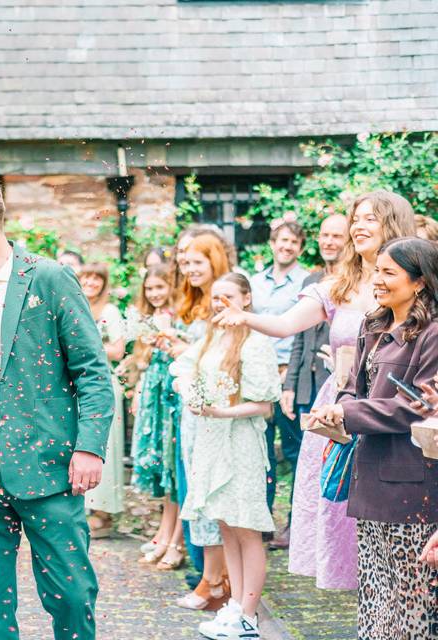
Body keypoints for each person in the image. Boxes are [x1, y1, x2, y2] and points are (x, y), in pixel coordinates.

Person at [0, 174, 114, 640]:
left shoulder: (49, 278)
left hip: (49, 462)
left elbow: (93, 370)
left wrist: (89, 447)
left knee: (71, 594)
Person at [214, 190, 417, 590]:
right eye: (354, 218)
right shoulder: (338, 285)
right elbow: (287, 325)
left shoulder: (416, 281)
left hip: (392, 405)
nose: (357, 226)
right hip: (340, 407)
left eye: (369, 218)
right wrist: (245, 316)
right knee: (339, 508)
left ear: (393, 223)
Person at [309, 237, 438, 638]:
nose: (377, 280)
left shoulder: (433, 333)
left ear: (419, 281)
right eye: (376, 271)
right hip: (368, 475)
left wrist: (349, 412)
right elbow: (354, 387)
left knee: (411, 604)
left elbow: (419, 405)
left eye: (388, 272)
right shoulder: (374, 323)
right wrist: (340, 410)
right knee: (375, 600)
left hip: (412, 482)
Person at [172, 273, 281, 640]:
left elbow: (265, 405)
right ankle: (235, 605)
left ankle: (249, 614)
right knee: (226, 526)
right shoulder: (213, 336)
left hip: (241, 443)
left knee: (247, 530)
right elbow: (183, 370)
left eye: (228, 297)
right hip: (212, 441)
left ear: (246, 299)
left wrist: (221, 412)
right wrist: (190, 393)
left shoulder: (255, 341)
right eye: (216, 297)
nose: (220, 303)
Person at [162, 233, 232, 609]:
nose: (189, 270)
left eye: (196, 263)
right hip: (192, 407)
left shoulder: (224, 300)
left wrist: (183, 351)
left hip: (216, 411)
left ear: (214, 261)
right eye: (185, 263)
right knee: (196, 492)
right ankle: (214, 576)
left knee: (209, 493)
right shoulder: (194, 301)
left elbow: (223, 352)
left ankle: (214, 580)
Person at [272, 213, 348, 550]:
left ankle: (330, 535)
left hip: (337, 383)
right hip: (306, 385)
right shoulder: (313, 281)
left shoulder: (356, 282)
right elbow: (299, 340)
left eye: (337, 236)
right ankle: (298, 529)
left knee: (332, 460)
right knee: (300, 458)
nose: (329, 241)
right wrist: (289, 385)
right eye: (325, 235)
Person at [248, 221, 309, 515]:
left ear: (300, 248)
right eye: (283, 240)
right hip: (257, 374)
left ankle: (294, 521)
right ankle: (263, 516)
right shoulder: (254, 282)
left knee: (293, 449)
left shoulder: (306, 283)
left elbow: (302, 333)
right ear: (272, 243)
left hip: (287, 373)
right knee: (259, 449)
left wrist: (290, 376)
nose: (287, 246)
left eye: (294, 243)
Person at [128, 263, 185, 570]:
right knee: (163, 468)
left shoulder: (180, 318)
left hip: (173, 393)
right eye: (149, 288)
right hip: (154, 393)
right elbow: (141, 360)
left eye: (160, 287)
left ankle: (176, 540)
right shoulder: (148, 319)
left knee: (174, 468)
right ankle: (164, 534)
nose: (154, 294)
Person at [77, 263, 126, 537]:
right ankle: (88, 507)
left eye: (98, 278)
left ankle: (104, 513)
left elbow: (118, 350)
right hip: (80, 386)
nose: (92, 282)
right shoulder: (77, 306)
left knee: (105, 446)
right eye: (87, 277)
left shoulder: (109, 311)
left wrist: (86, 349)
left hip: (104, 384)